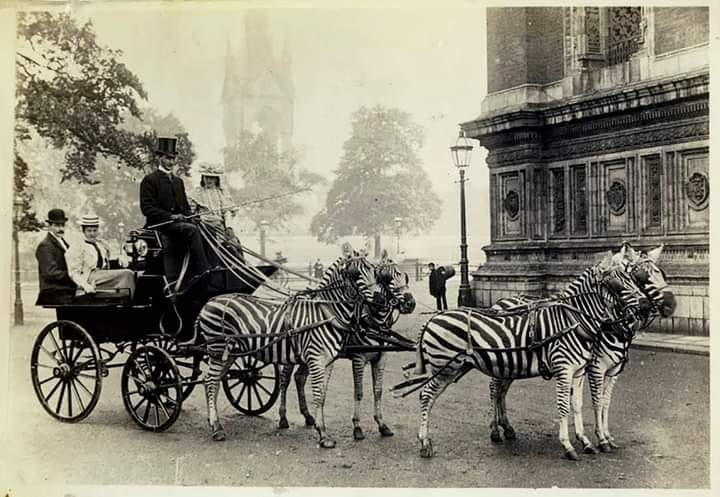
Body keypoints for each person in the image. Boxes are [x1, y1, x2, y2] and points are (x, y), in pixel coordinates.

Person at [139, 136, 210, 296]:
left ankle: (212, 267)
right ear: (159, 157)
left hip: (177, 225)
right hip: (160, 225)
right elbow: (147, 208)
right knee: (191, 230)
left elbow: (184, 207)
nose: (171, 162)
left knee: (204, 226)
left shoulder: (178, 182)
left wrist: (192, 216)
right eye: (167, 158)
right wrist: (171, 216)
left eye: (173, 158)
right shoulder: (149, 180)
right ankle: (202, 271)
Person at [65, 214, 136, 299]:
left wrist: (120, 258)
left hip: (102, 275)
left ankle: (124, 298)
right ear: (83, 231)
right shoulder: (77, 246)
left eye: (94, 230)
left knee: (132, 273)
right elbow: (73, 273)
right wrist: (85, 286)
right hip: (89, 278)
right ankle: (128, 301)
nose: (92, 234)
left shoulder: (100, 243)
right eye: (89, 231)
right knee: (127, 274)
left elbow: (109, 258)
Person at [35, 208, 76, 304]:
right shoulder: (45, 246)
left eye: (63, 225)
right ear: (49, 226)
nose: (61, 229)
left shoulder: (62, 242)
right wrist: (74, 276)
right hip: (54, 291)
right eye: (57, 225)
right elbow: (50, 272)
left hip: (64, 289)